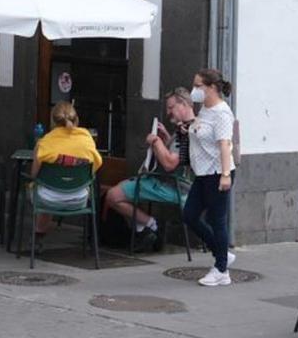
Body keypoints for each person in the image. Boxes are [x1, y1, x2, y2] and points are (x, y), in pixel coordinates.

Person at [105, 87, 194, 251]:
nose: (168, 112)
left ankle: (151, 226)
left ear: (183, 104)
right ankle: (143, 230)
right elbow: (180, 155)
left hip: (175, 187)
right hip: (182, 185)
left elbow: (169, 164)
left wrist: (155, 142)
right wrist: (167, 138)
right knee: (124, 185)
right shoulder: (192, 128)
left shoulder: (186, 131)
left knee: (113, 196)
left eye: (171, 107)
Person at [183, 68, 237, 287]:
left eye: (198, 86)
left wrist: (225, 175)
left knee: (217, 220)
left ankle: (221, 269)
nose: (194, 90)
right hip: (203, 171)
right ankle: (221, 251)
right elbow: (203, 132)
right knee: (190, 215)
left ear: (212, 88)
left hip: (217, 173)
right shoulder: (205, 109)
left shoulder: (222, 113)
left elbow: (224, 145)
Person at [29, 101, 103, 241]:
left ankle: (38, 234)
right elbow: (94, 169)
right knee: (55, 187)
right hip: (79, 199)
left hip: (47, 199)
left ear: (53, 121)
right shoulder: (87, 140)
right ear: (76, 119)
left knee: (44, 187)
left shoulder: (45, 143)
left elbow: (34, 175)